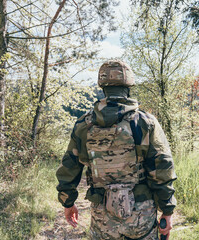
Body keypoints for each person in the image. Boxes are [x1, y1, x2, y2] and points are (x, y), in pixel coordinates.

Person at [56, 60, 177, 240]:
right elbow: (162, 167)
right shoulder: (145, 122)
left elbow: (70, 166)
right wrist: (167, 210)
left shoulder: (83, 125)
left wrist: (68, 202)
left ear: (102, 86)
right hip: (140, 216)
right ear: (128, 85)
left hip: (102, 217)